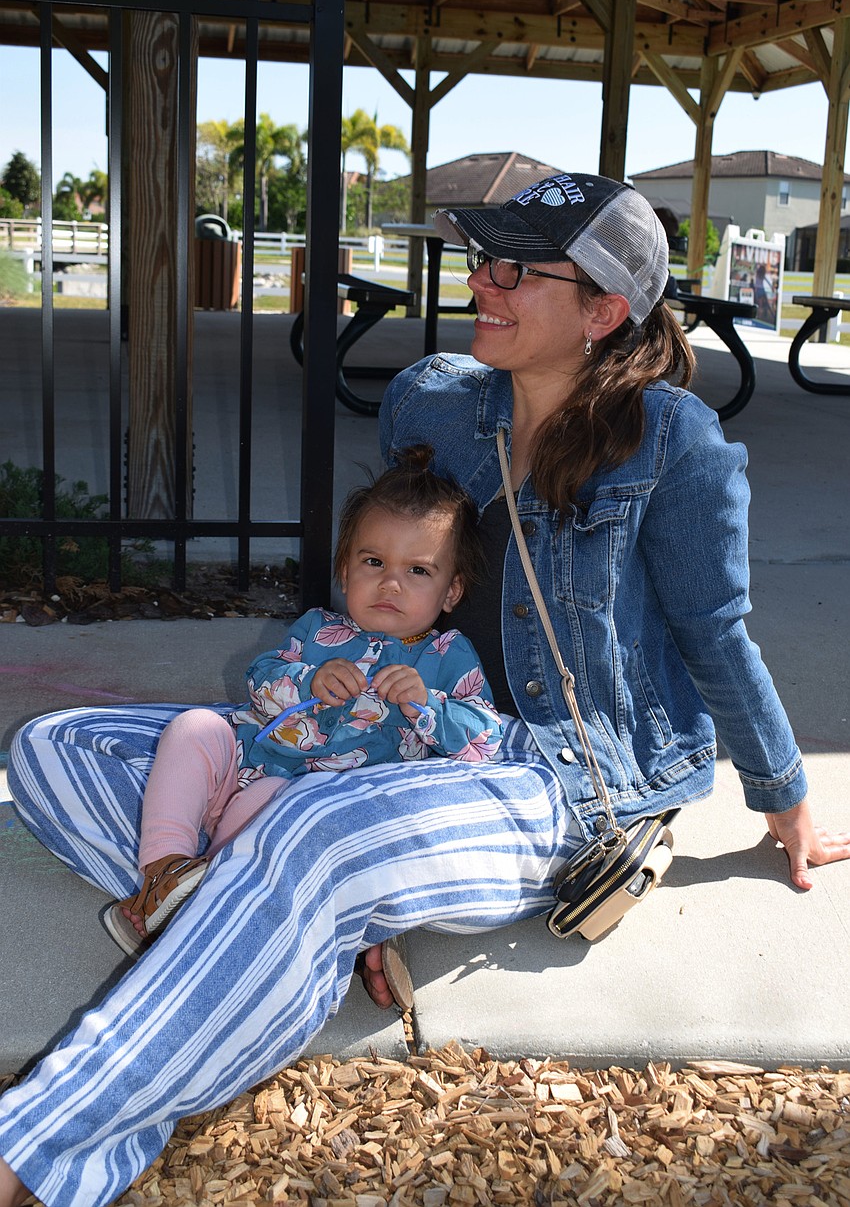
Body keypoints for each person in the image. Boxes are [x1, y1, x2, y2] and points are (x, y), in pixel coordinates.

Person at [1, 170, 848, 1207]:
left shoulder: (672, 444)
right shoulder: (436, 400)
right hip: (372, 735)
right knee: (56, 747)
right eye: (482, 260)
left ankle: (36, 1153)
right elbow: (393, 559)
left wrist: (782, 797)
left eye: (518, 271)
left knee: (309, 830)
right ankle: (292, 919)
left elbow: (716, 633)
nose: (483, 283)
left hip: (549, 770)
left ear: (603, 311)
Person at [104, 443, 502, 960]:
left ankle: (208, 906)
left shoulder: (448, 655)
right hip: (247, 760)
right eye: (374, 561)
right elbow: (260, 679)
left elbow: (486, 739)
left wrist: (427, 706)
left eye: (419, 571)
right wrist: (307, 679)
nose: (390, 582)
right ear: (344, 570)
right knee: (194, 728)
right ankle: (164, 869)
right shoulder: (318, 629)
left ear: (451, 592)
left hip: (305, 804)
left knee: (276, 807)